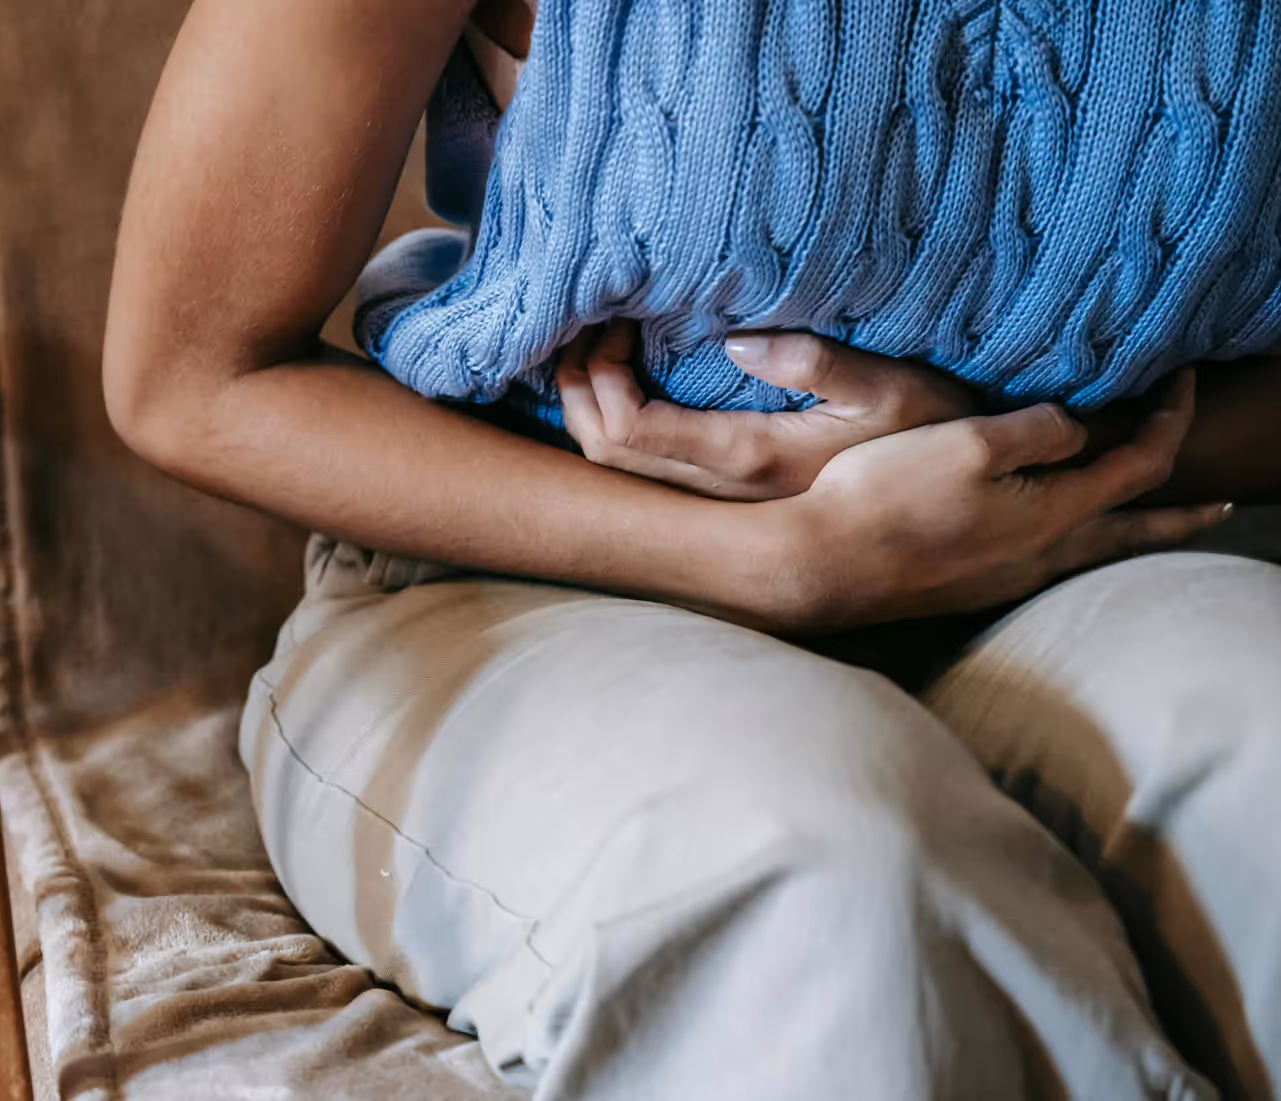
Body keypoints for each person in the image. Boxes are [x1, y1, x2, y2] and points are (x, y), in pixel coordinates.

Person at [102, 1, 1281, 1097]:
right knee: (838, 882)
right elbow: (192, 376)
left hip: (1077, 555)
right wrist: (781, 562)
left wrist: (1016, 460)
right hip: (529, 589)